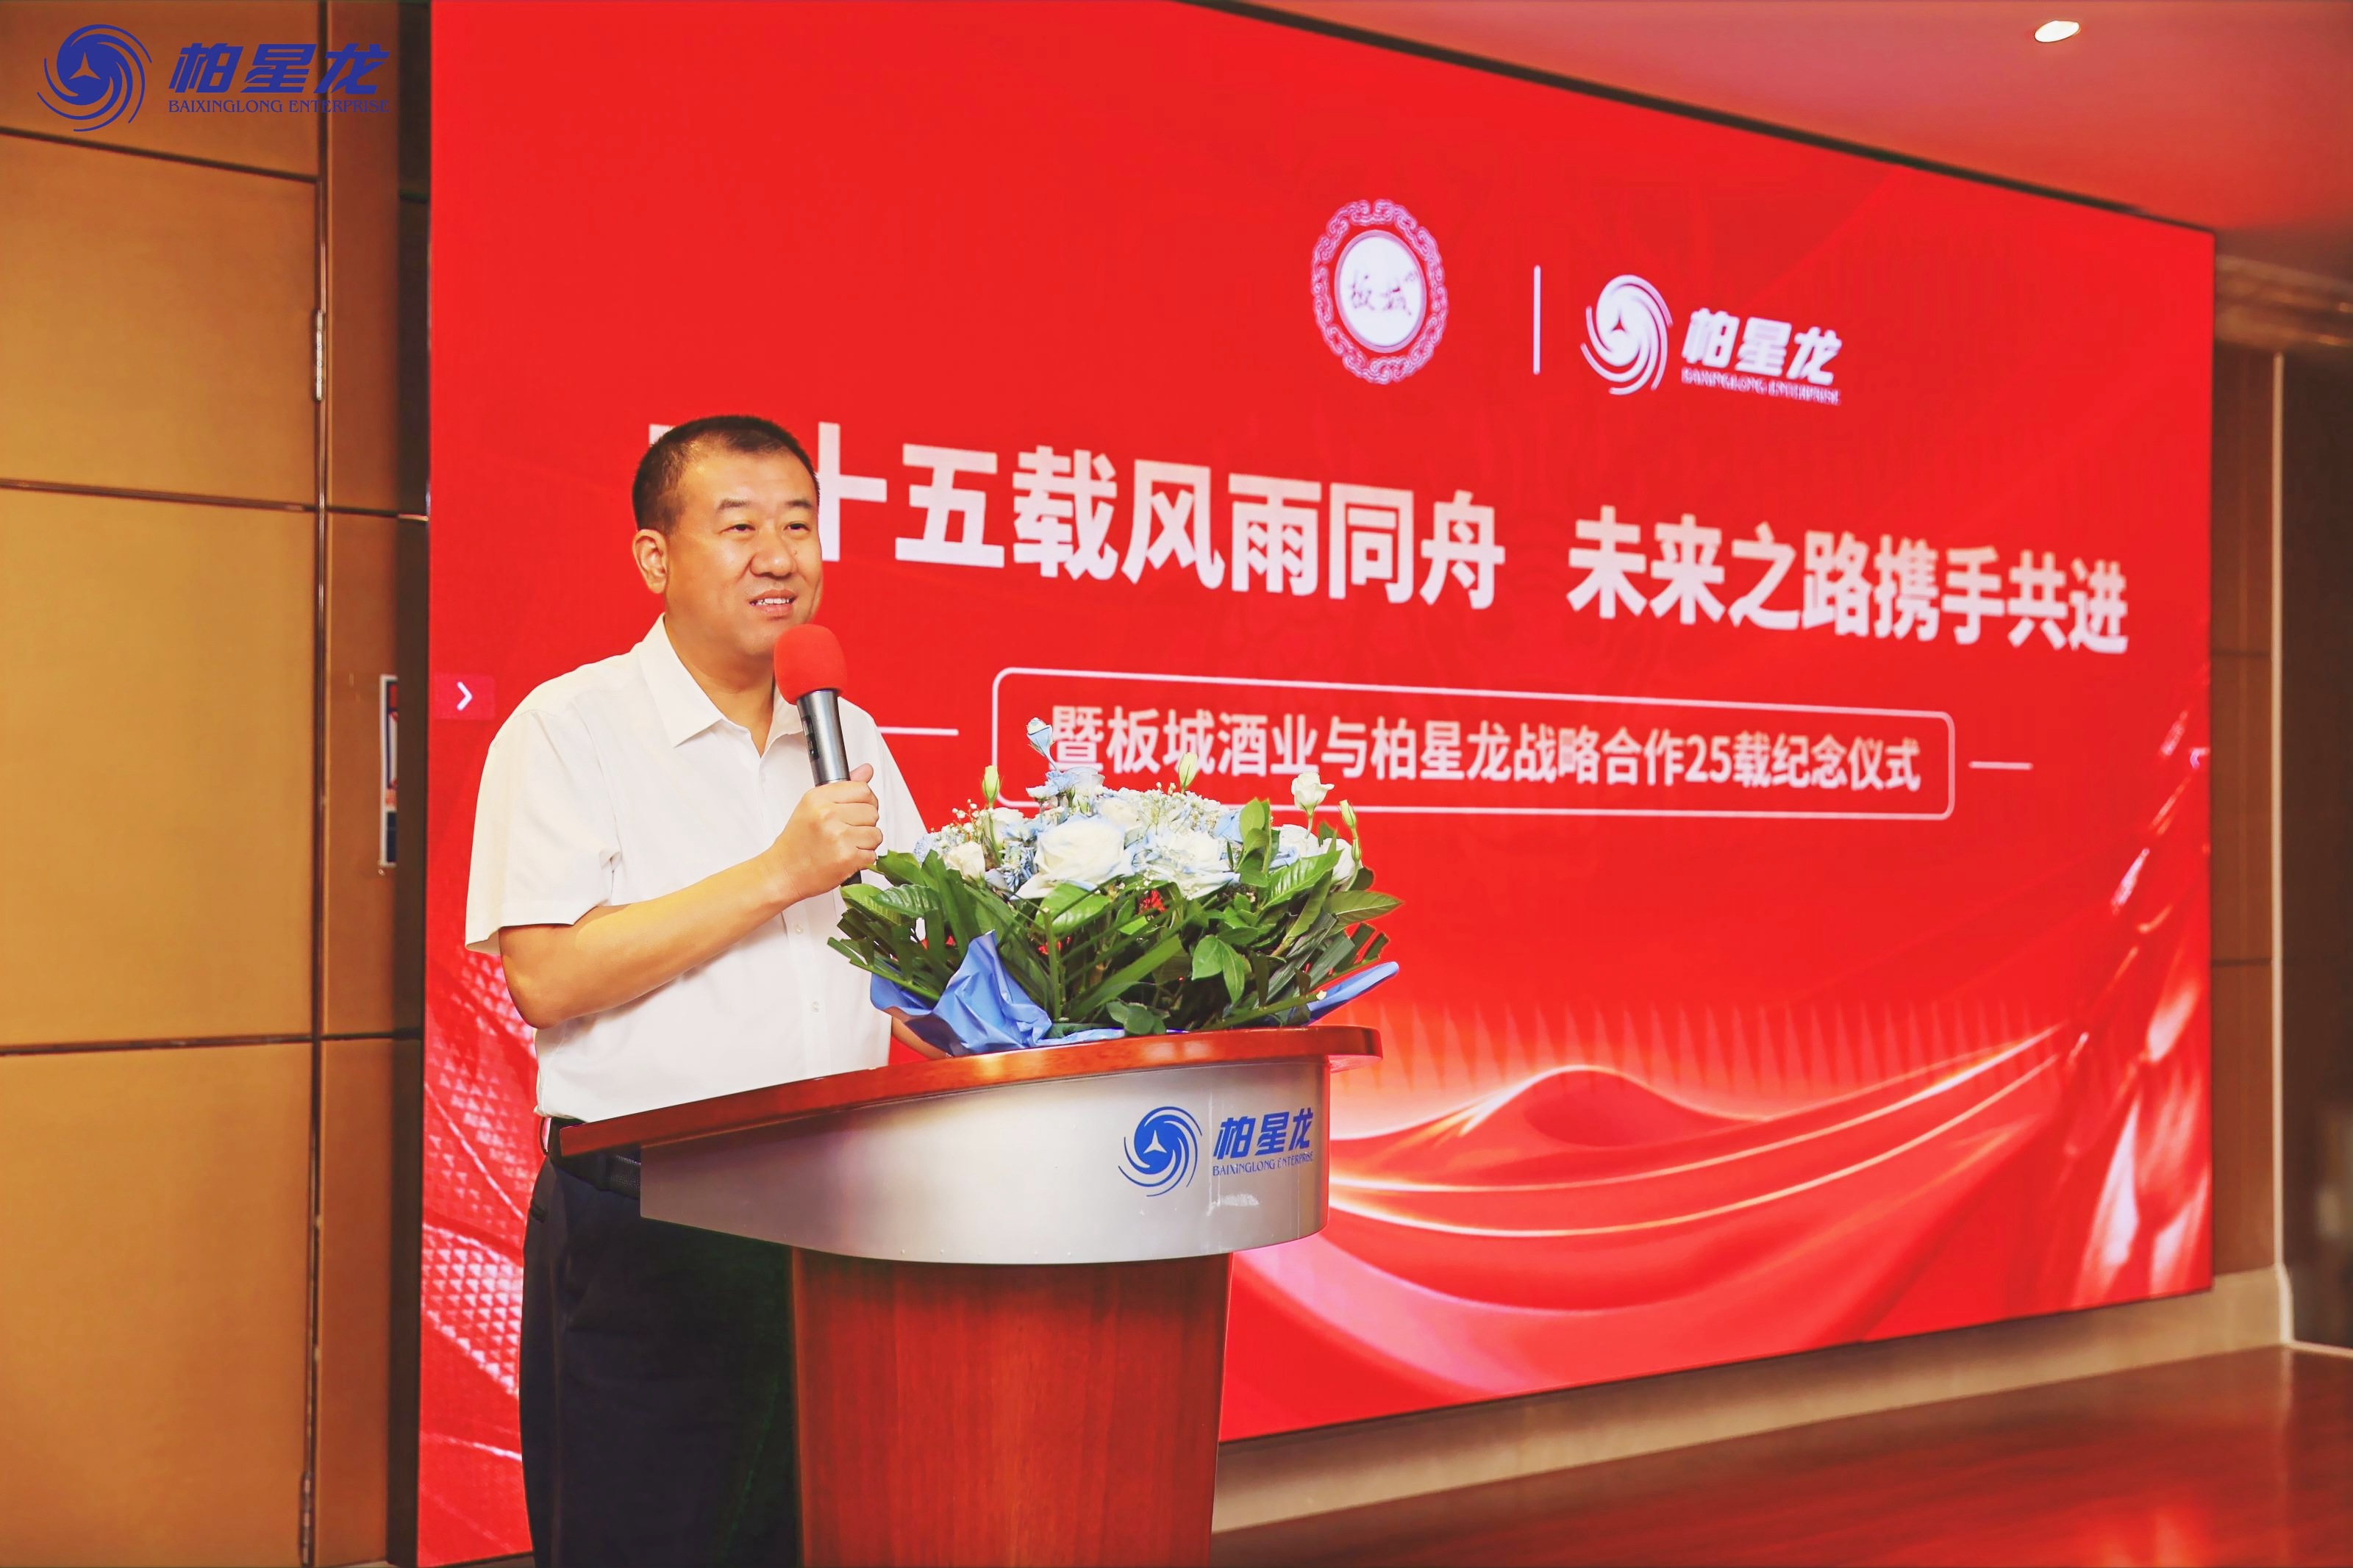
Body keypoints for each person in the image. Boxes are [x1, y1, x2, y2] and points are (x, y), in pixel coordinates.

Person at [464, 415, 925, 1567]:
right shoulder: (570, 728)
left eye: (800, 525)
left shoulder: (846, 733)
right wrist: (779, 873)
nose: (780, 556)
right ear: (654, 557)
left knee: (818, 1538)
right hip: (655, 1220)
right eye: (741, 526)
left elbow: (918, 956)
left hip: (837, 1214)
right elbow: (547, 974)